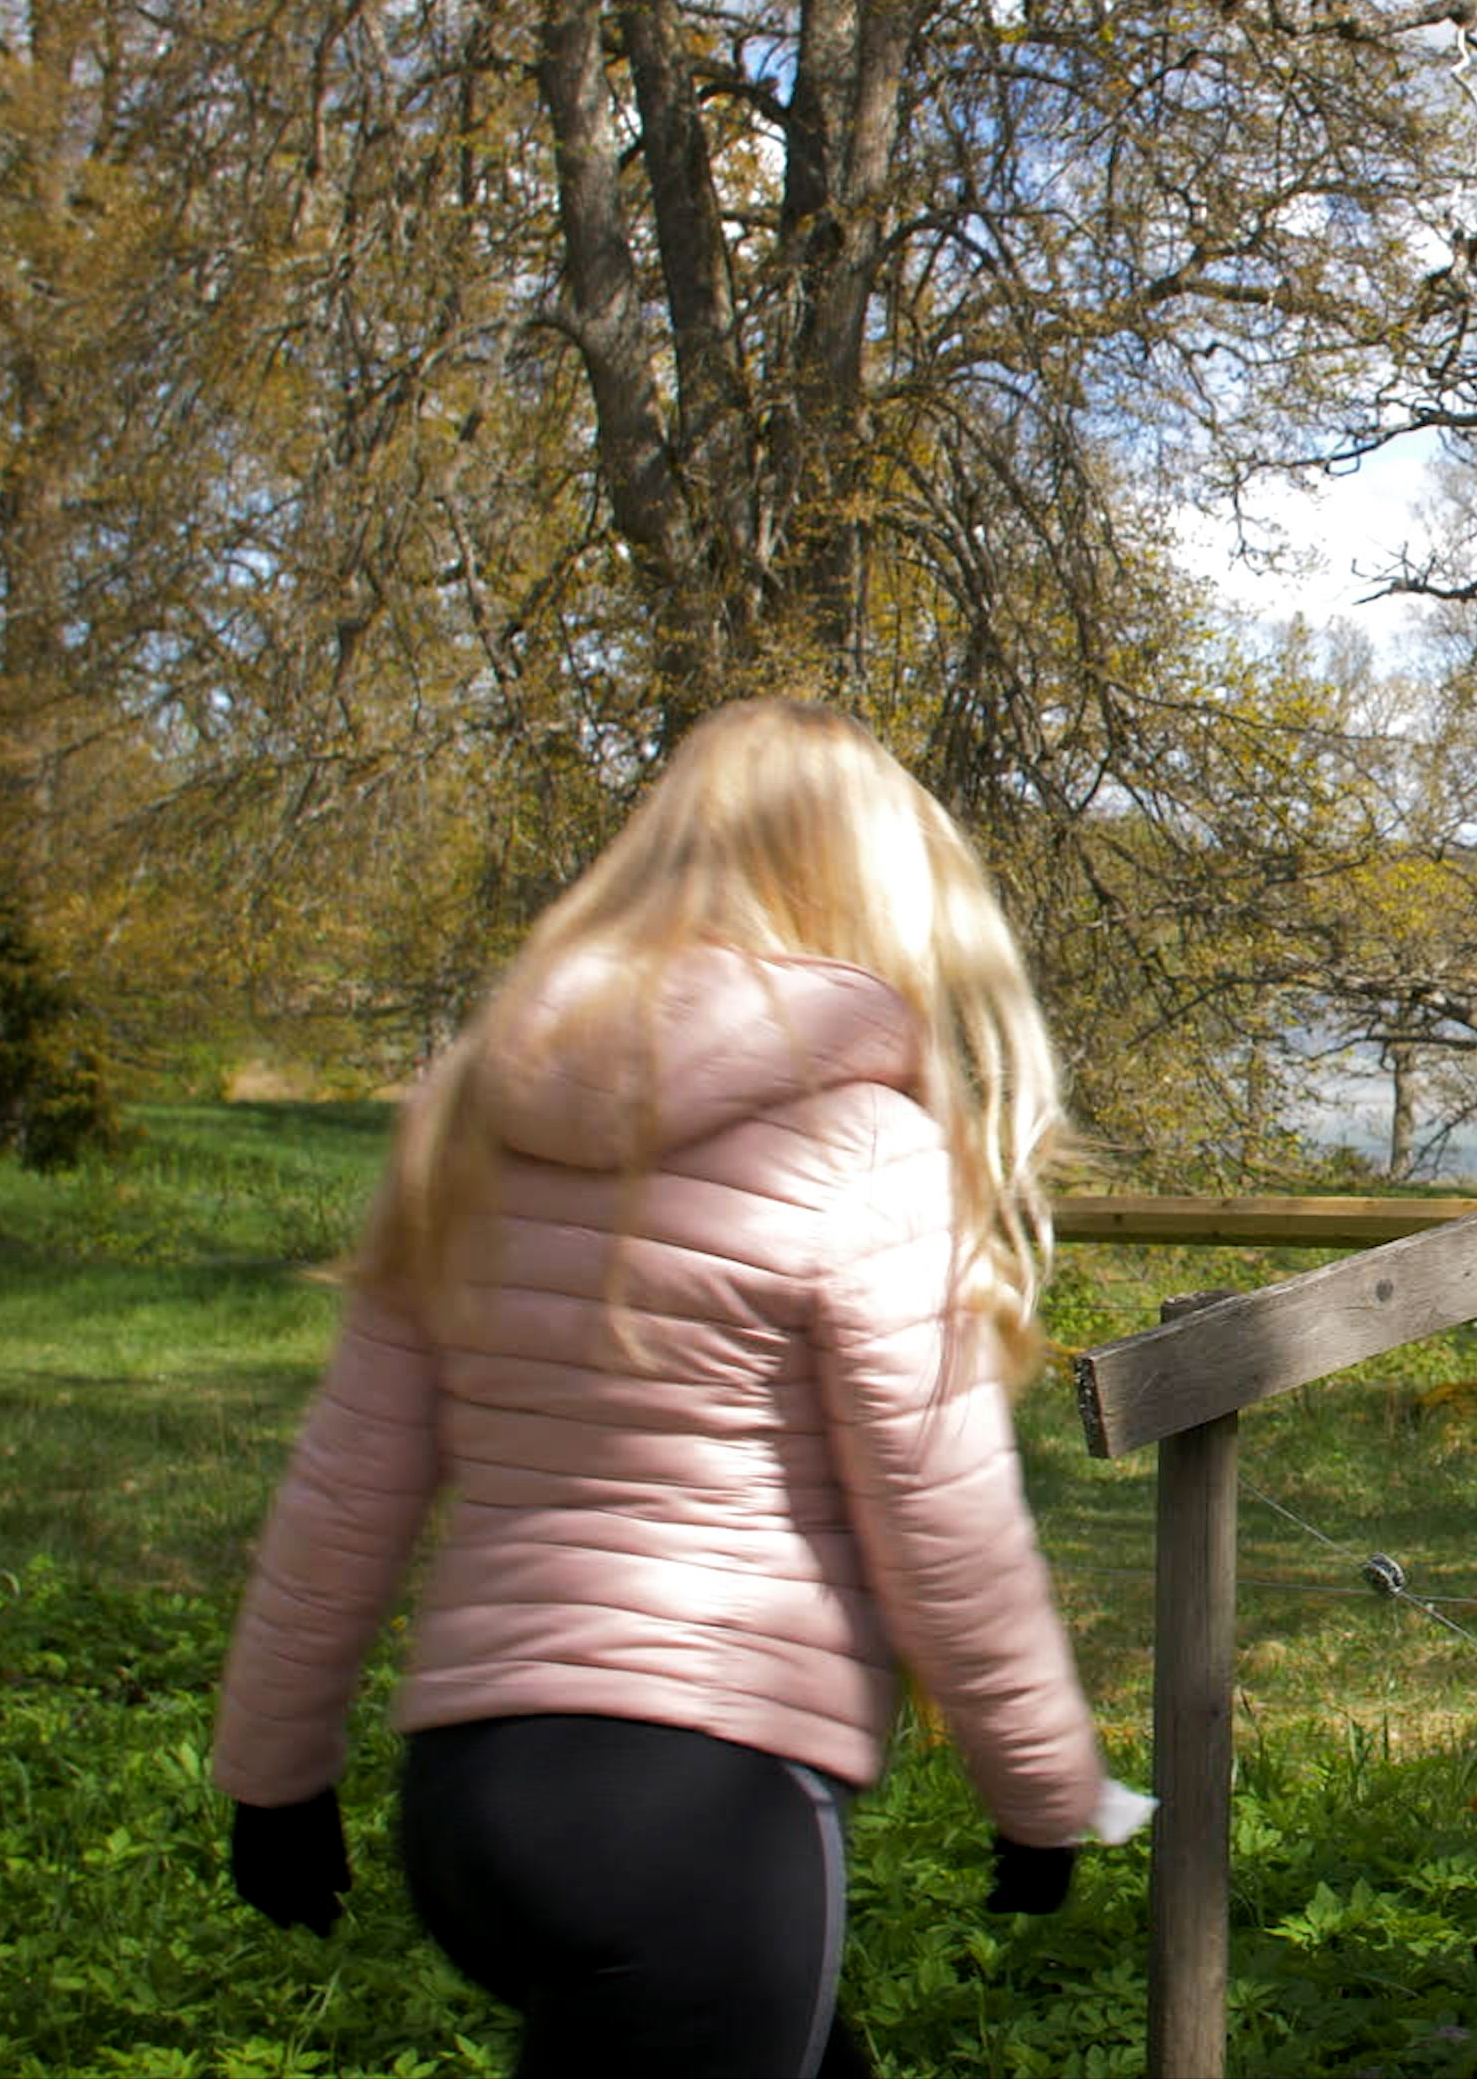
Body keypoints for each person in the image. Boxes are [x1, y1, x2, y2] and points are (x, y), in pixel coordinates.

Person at [210, 697, 1121, 2077]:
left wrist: (272, 1779)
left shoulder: (469, 1110)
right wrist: (1045, 1793)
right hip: (700, 1812)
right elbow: (943, 1521)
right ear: (884, 888)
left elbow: (347, 1483)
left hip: (469, 1809)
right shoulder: (859, 1141)